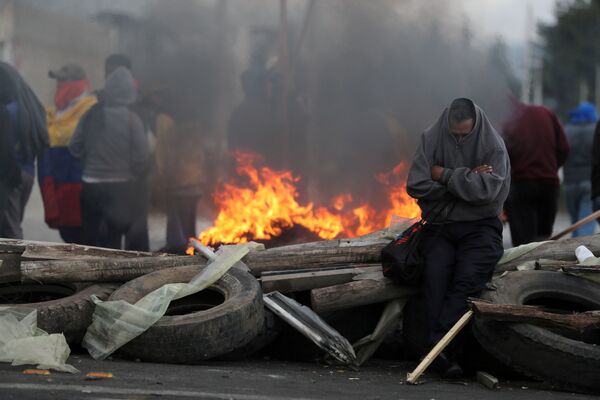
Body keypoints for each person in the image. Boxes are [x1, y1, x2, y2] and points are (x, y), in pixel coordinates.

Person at [406, 98, 510, 377]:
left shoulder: (493, 145)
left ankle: (438, 350)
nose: (459, 139)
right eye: (455, 135)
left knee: (466, 283)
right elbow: (416, 185)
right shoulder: (431, 138)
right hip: (440, 225)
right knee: (433, 282)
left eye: (465, 135)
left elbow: (487, 193)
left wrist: (445, 175)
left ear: (475, 127)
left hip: (481, 228)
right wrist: (467, 181)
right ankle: (438, 353)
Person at [69, 66, 149, 249]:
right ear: (129, 93)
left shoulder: (90, 114)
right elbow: (142, 157)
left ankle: (86, 274)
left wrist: (88, 163)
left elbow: (74, 146)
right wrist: (132, 172)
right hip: (120, 188)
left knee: (89, 239)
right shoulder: (132, 120)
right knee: (113, 241)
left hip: (90, 185)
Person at [38, 64, 97, 244]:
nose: (59, 85)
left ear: (79, 84)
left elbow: (70, 137)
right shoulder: (55, 112)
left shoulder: (90, 108)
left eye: (64, 81)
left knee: (81, 235)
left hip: (77, 183)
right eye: (58, 82)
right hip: (56, 181)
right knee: (66, 232)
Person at [503, 98, 569, 246]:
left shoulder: (508, 120)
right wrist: (551, 168)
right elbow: (564, 148)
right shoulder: (546, 113)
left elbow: (502, 157)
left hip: (521, 185)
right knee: (543, 240)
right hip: (548, 185)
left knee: (524, 245)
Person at [153, 88, 207, 253]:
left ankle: (178, 249)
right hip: (195, 179)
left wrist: (161, 174)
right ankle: (192, 248)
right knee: (189, 218)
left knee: (176, 217)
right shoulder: (196, 122)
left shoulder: (165, 120)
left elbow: (162, 150)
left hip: (178, 180)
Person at [0, 62, 48, 239]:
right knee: (14, 223)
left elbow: (6, 149)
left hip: (12, 175)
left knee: (10, 230)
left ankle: (16, 266)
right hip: (28, 172)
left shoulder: (9, 111)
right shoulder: (28, 109)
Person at [563, 102, 597, 236]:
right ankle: (582, 253)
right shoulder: (596, 129)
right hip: (590, 181)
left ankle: (574, 252)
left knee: (575, 221)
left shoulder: (567, 130)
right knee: (586, 222)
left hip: (569, 181)